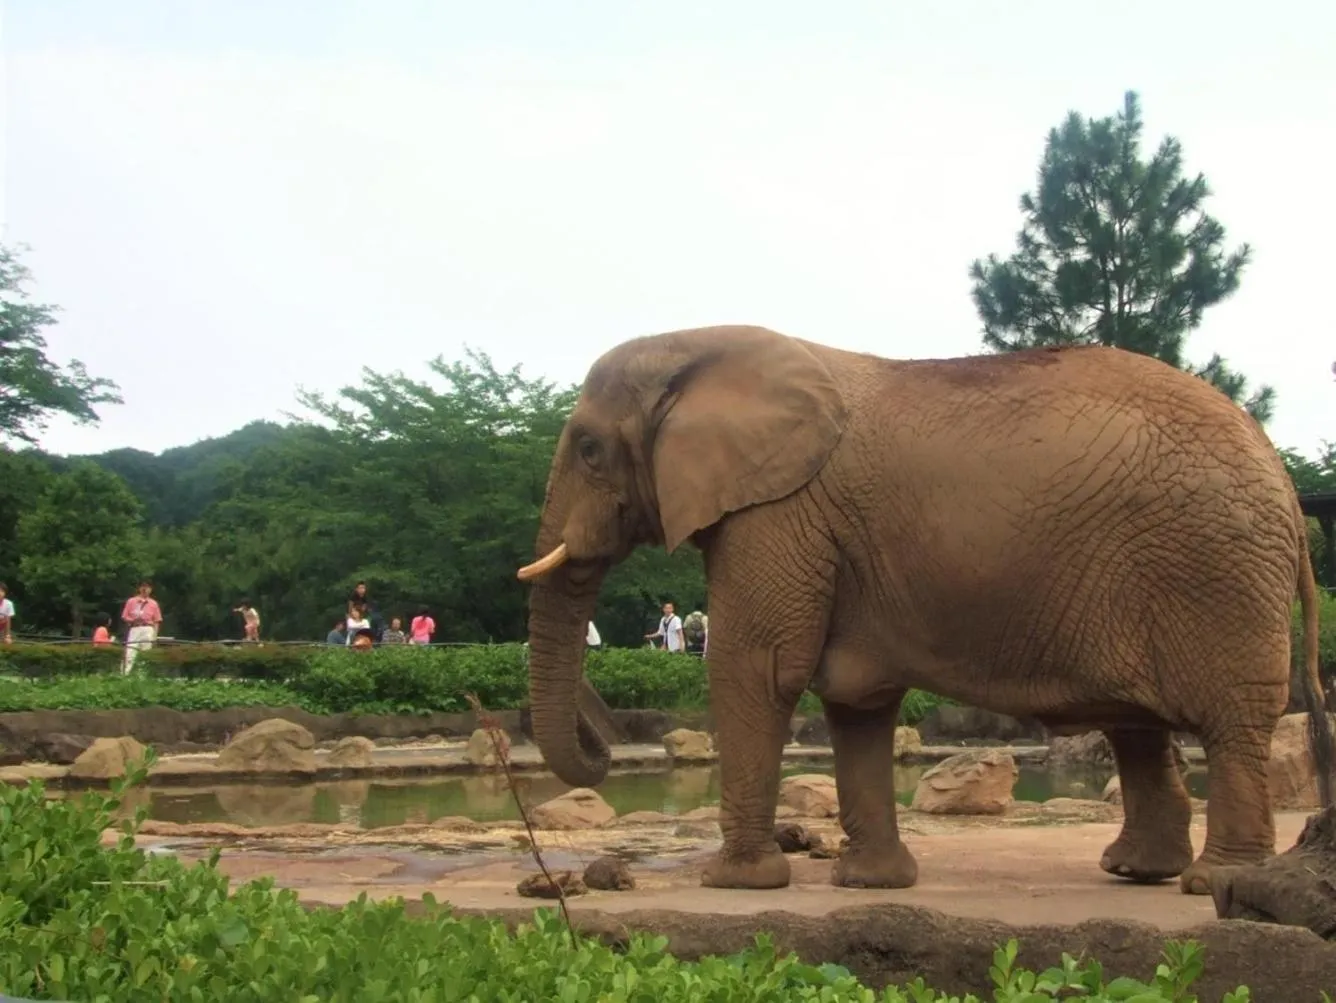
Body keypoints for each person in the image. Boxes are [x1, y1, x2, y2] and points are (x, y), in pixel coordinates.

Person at [119, 579, 163, 673]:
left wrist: (154, 636)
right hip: (135, 627)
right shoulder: (131, 601)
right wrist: (132, 620)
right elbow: (124, 616)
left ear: (151, 589)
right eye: (143, 586)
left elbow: (157, 621)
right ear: (139, 588)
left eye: (147, 587)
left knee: (145, 653)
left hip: (148, 628)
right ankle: (124, 673)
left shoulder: (153, 603)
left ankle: (142, 675)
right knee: (130, 651)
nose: (145, 589)